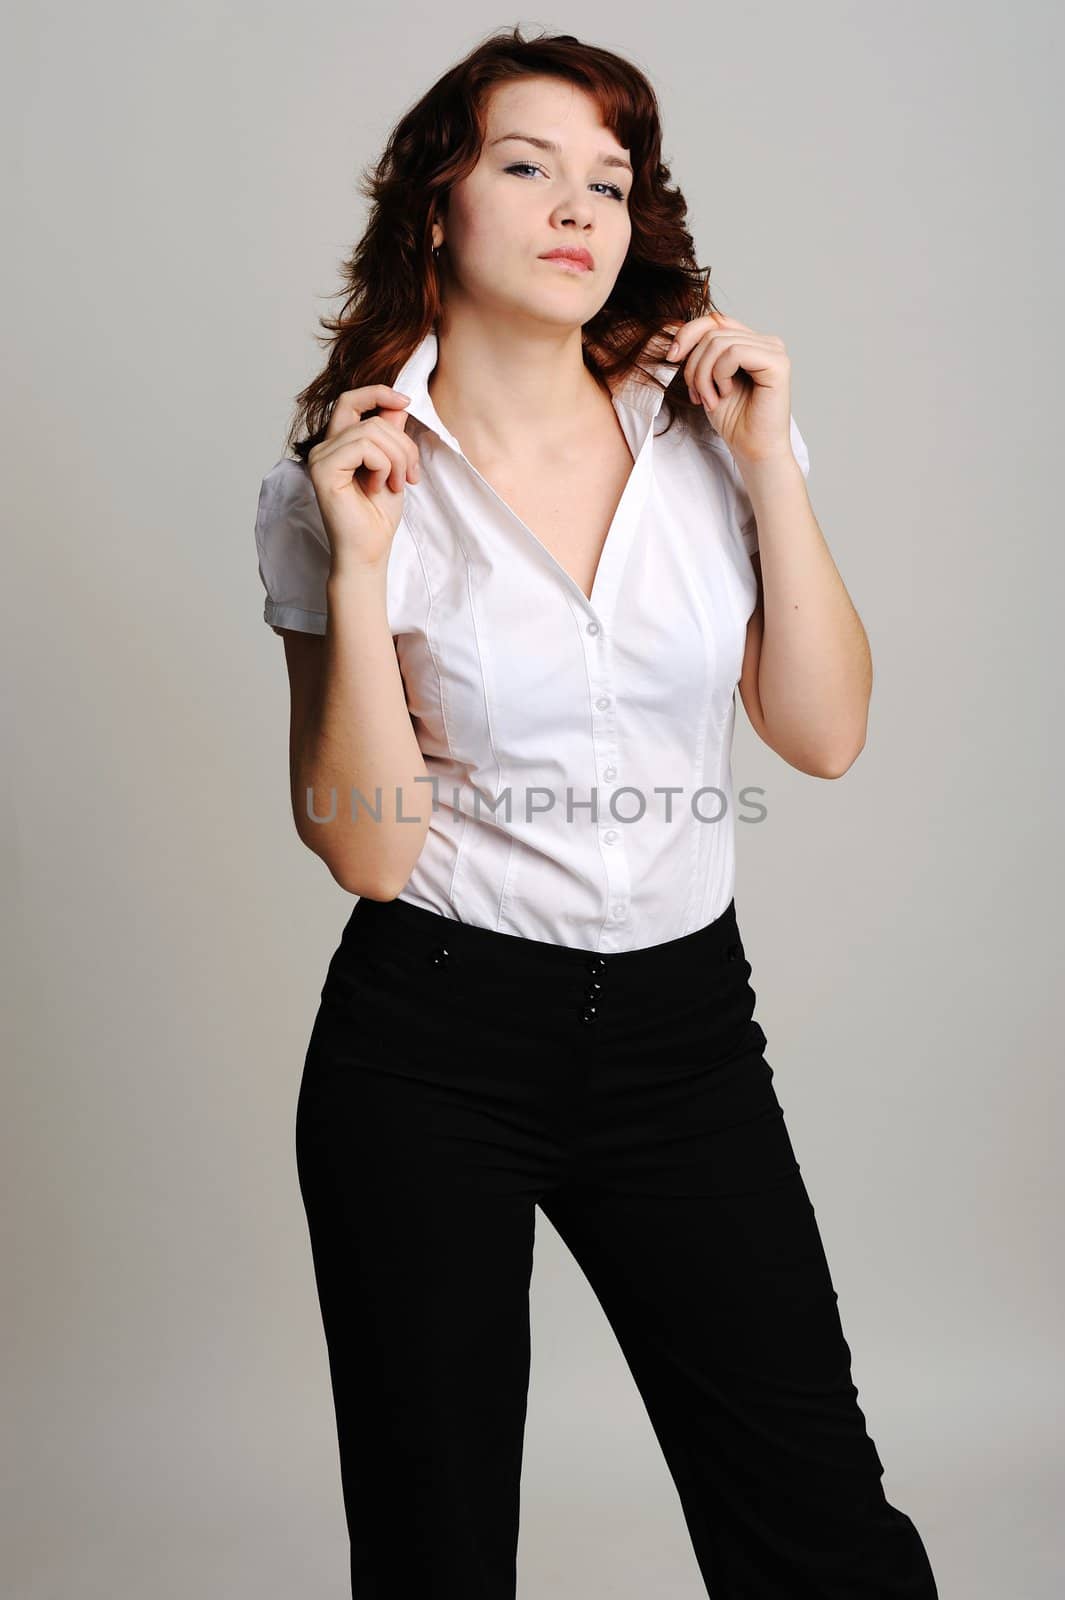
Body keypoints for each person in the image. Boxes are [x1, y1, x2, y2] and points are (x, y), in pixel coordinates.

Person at [253, 25, 940, 1600]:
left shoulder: (709, 432)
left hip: (682, 1037)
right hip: (430, 1047)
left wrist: (771, 466)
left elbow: (821, 736)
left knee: (819, 1528)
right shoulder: (341, 483)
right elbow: (365, 843)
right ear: (436, 206)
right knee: (434, 1553)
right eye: (527, 165)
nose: (579, 207)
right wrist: (359, 576)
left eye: (610, 180)